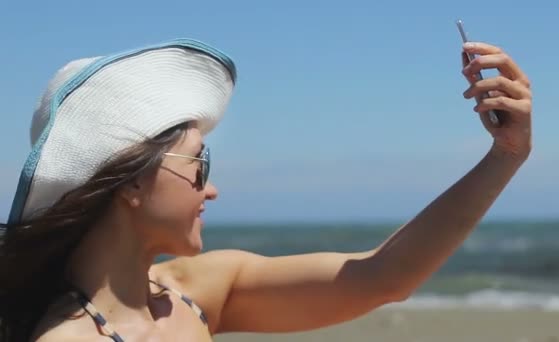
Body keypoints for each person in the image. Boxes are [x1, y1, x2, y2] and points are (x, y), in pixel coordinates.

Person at [0, 37, 532, 341]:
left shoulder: (196, 291)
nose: (211, 190)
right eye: (199, 163)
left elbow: (381, 277)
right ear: (132, 181)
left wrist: (505, 156)